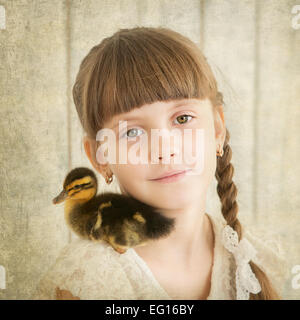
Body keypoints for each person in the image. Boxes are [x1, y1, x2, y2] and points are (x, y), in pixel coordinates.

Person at [31, 26, 287, 300]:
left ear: (217, 129)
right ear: (100, 157)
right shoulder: (83, 285)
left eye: (183, 119)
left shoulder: (260, 262)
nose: (165, 150)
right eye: (132, 132)